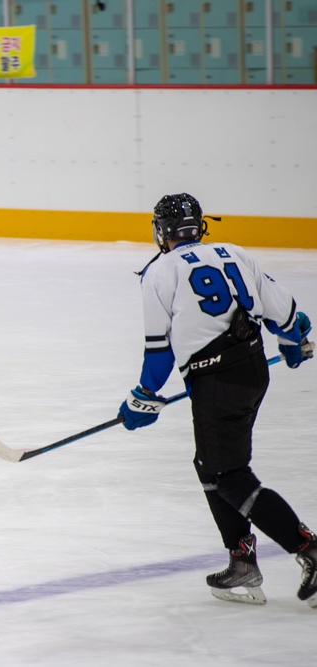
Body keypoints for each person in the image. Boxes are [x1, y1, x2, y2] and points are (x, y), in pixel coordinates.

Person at [118, 192, 316, 607]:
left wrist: (144, 396)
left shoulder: (159, 273)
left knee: (229, 475)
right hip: (252, 371)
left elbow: (159, 350)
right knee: (211, 465)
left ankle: (309, 550)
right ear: (199, 226)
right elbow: (289, 314)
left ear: (161, 231)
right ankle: (241, 560)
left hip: (217, 383)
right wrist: (293, 340)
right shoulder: (235, 253)